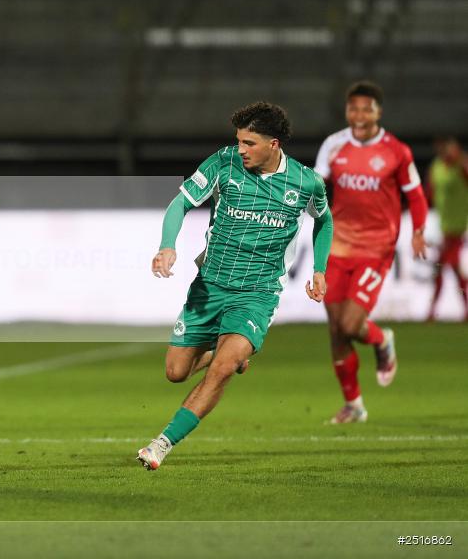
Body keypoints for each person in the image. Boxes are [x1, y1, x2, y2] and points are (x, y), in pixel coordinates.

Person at [137, 102, 332, 470]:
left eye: (249, 143)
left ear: (273, 144)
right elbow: (180, 203)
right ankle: (229, 354)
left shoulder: (306, 182)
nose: (240, 149)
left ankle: (161, 444)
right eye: (238, 141)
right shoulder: (223, 163)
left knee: (222, 368)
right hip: (210, 285)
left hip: (257, 294)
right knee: (176, 371)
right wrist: (168, 246)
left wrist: (320, 269)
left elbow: (325, 220)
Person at [314, 81, 428, 424]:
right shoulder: (333, 145)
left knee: (350, 324)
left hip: (376, 248)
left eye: (366, 108)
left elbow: (417, 195)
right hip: (337, 245)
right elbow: (317, 186)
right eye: (354, 108)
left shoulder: (397, 151)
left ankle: (381, 340)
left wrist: (419, 231)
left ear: (379, 112)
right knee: (336, 329)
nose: (359, 115)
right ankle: (354, 405)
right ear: (347, 110)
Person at [426, 136, 468, 321]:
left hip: (459, 228)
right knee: (452, 269)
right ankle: (464, 308)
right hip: (443, 227)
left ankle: (432, 311)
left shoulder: (462, 167)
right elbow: (430, 191)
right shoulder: (436, 167)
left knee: (440, 267)